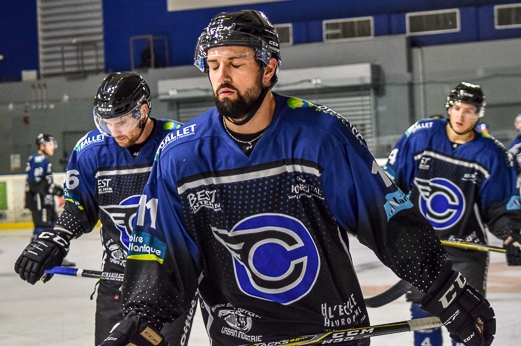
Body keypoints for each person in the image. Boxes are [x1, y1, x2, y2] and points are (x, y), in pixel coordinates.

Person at [100, 11, 496, 346]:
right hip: (238, 336)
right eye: (214, 64)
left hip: (331, 334)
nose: (222, 75)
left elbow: (386, 218)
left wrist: (443, 286)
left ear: (268, 67)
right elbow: (161, 253)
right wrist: (143, 320)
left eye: (235, 64)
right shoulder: (180, 156)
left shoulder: (322, 136)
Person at [14, 72, 190, 346]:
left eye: (121, 122)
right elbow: (78, 209)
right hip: (117, 278)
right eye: (106, 123)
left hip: (167, 282)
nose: (114, 131)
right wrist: (58, 236)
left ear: (143, 110)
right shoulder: (90, 151)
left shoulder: (179, 144)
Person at [383, 82, 521, 346]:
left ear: (479, 114)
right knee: (424, 319)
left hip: (467, 253)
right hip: (423, 250)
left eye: (469, 111)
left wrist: (510, 235)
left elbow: (499, 207)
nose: (461, 116)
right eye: (457, 108)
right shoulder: (421, 135)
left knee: (468, 326)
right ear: (449, 108)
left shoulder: (492, 154)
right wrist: (370, 214)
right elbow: (390, 183)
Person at [24, 133, 75, 267]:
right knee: (41, 228)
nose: (53, 147)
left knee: (55, 228)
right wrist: (55, 190)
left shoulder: (41, 159)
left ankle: (56, 256)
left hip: (46, 201)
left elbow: (43, 182)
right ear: (42, 145)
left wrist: (56, 191)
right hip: (40, 202)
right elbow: (35, 182)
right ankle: (31, 257)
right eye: (50, 144)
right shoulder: (39, 159)